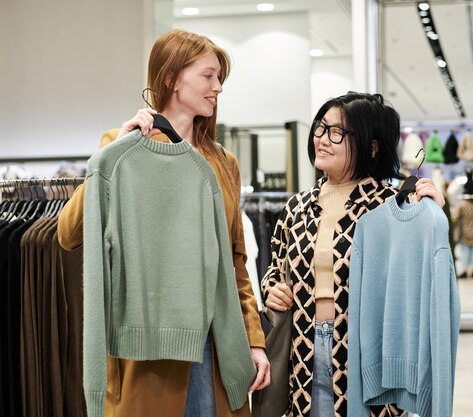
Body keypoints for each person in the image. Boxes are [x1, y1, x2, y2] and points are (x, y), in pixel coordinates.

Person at [57, 29, 270, 417]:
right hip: (149, 350)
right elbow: (68, 234)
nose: (218, 87)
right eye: (208, 76)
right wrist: (114, 151)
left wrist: (253, 340)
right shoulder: (122, 149)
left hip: (216, 343)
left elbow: (236, 263)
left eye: (220, 78)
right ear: (171, 77)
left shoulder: (223, 163)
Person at [261, 92, 445, 417]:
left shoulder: (393, 205)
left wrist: (432, 215)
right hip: (303, 348)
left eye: (337, 133)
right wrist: (272, 288)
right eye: (321, 128)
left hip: (364, 353)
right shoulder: (297, 207)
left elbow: (418, 277)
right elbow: (276, 269)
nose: (323, 139)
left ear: (371, 146)